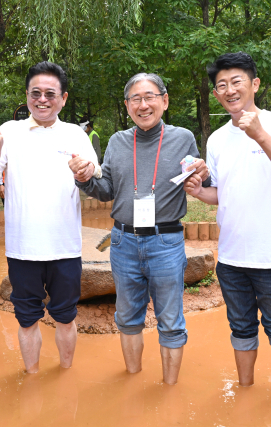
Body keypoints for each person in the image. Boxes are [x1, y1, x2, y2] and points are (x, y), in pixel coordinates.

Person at [71, 73, 210, 385]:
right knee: (128, 318)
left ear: (165, 100)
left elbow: (201, 180)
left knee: (171, 321)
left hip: (166, 242)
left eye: (150, 96)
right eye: (136, 98)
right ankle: (132, 383)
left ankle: (169, 392)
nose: (143, 104)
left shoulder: (183, 138)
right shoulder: (118, 142)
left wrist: (203, 175)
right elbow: (106, 190)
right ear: (127, 105)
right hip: (123, 244)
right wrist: (84, 179)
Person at [184, 52, 271, 396]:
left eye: (236, 81)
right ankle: (246, 393)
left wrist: (259, 134)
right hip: (232, 257)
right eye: (221, 85)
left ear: (254, 84)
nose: (229, 89)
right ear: (216, 94)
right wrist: (198, 192)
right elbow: (224, 194)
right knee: (240, 329)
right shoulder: (217, 139)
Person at [0, 62, 100, 373]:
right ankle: (31, 375)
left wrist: (86, 170)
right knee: (27, 318)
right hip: (23, 249)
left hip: (65, 249)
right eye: (36, 93)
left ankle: (66, 374)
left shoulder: (75, 134)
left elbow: (94, 174)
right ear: (27, 96)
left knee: (66, 316)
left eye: (50, 93)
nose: (42, 100)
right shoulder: (9, 131)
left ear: (63, 98)